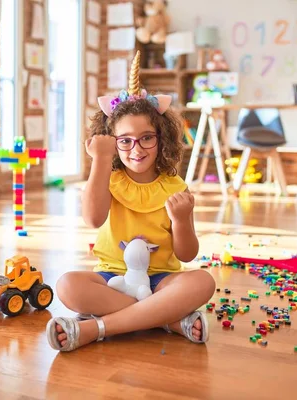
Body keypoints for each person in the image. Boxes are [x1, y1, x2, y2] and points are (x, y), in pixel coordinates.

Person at [46, 51, 216, 352]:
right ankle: (166, 319)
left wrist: (181, 220)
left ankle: (96, 328)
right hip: (112, 278)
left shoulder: (175, 186)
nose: (136, 148)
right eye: (124, 141)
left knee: (203, 282)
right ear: (113, 142)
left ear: (161, 138)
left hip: (162, 280)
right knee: (68, 286)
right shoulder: (108, 179)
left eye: (146, 138)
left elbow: (187, 255)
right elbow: (93, 219)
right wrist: (100, 159)